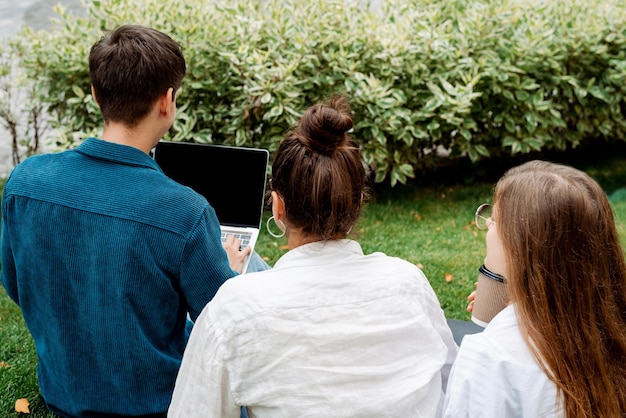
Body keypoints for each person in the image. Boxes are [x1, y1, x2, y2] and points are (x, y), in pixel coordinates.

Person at [1, 25, 253, 417]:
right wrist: (231, 280)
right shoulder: (186, 211)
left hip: (64, 394)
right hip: (162, 403)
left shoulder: (24, 182)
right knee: (251, 269)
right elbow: (223, 329)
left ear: (96, 94)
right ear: (167, 101)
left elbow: (18, 286)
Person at [167, 95, 458, 418]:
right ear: (359, 203)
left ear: (277, 207)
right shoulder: (409, 282)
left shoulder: (233, 309)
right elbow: (453, 385)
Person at [443, 160, 626, 417]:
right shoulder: (611, 327)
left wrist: (504, 327)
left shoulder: (487, 358)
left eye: (493, 220)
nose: (486, 227)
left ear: (518, 249)